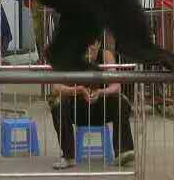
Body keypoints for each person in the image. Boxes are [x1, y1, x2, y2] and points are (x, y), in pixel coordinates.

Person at [49, 36, 135, 170]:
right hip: (77, 109)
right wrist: (78, 90)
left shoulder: (106, 56)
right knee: (57, 103)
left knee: (121, 100)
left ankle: (123, 151)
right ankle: (68, 156)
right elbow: (56, 87)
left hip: (100, 108)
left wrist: (100, 92)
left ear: (99, 44)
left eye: (92, 43)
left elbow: (116, 86)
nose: (88, 47)